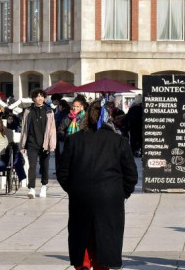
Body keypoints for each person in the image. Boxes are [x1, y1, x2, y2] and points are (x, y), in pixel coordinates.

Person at [57, 101, 138, 270]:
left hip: (81, 195)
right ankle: (102, 265)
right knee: (105, 235)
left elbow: (63, 172)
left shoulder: (74, 140)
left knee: (82, 233)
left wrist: (73, 189)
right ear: (108, 119)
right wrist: (122, 193)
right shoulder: (119, 141)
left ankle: (84, 264)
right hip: (110, 197)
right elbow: (131, 174)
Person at [20, 89, 56, 199]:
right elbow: (24, 128)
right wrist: (22, 145)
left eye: (41, 96)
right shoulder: (28, 111)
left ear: (44, 98)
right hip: (32, 142)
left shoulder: (49, 111)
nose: (39, 98)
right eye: (37, 96)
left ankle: (44, 186)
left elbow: (52, 129)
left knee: (44, 166)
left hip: (45, 143)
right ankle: (31, 188)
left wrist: (52, 144)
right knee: (32, 165)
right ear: (33, 98)